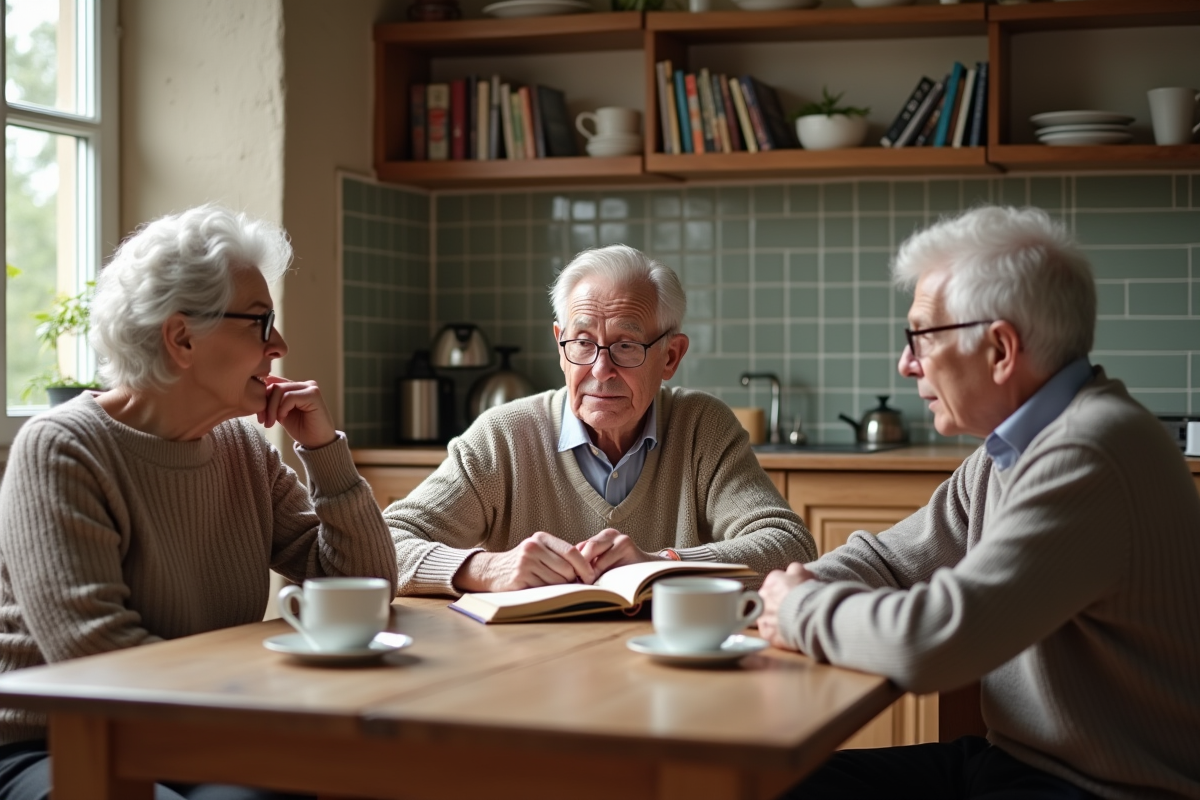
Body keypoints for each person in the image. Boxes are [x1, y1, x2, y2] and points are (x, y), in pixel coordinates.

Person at [758, 206, 1200, 799]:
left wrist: (799, 609)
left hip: (1105, 789)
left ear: (1000, 349)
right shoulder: (1010, 451)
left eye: (920, 336)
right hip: (1018, 763)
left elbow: (934, 640)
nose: (906, 363)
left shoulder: (1091, 451)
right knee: (759, 785)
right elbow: (891, 561)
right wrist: (778, 592)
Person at [0, 205, 398, 800]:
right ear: (182, 337)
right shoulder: (63, 448)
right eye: (261, 323)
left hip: (196, 727)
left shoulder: (241, 446)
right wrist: (269, 690)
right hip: (54, 744)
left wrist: (323, 451)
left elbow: (365, 587)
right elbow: (97, 654)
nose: (280, 345)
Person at [386, 244, 815, 595]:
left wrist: (662, 565)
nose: (600, 370)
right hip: (527, 662)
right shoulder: (502, 437)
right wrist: (485, 569)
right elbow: (386, 544)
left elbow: (790, 546)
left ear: (670, 356)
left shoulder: (702, 427)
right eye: (583, 343)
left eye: (626, 345)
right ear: (560, 346)